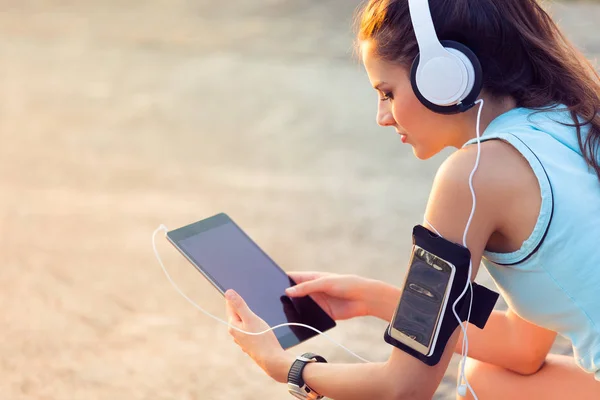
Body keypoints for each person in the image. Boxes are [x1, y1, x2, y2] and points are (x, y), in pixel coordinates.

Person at [223, 0, 600, 398]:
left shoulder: (472, 177)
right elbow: (520, 349)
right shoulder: (572, 119)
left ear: (444, 77)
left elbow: (402, 388)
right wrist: (372, 298)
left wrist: (282, 366)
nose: (382, 116)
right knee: (487, 376)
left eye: (387, 92)